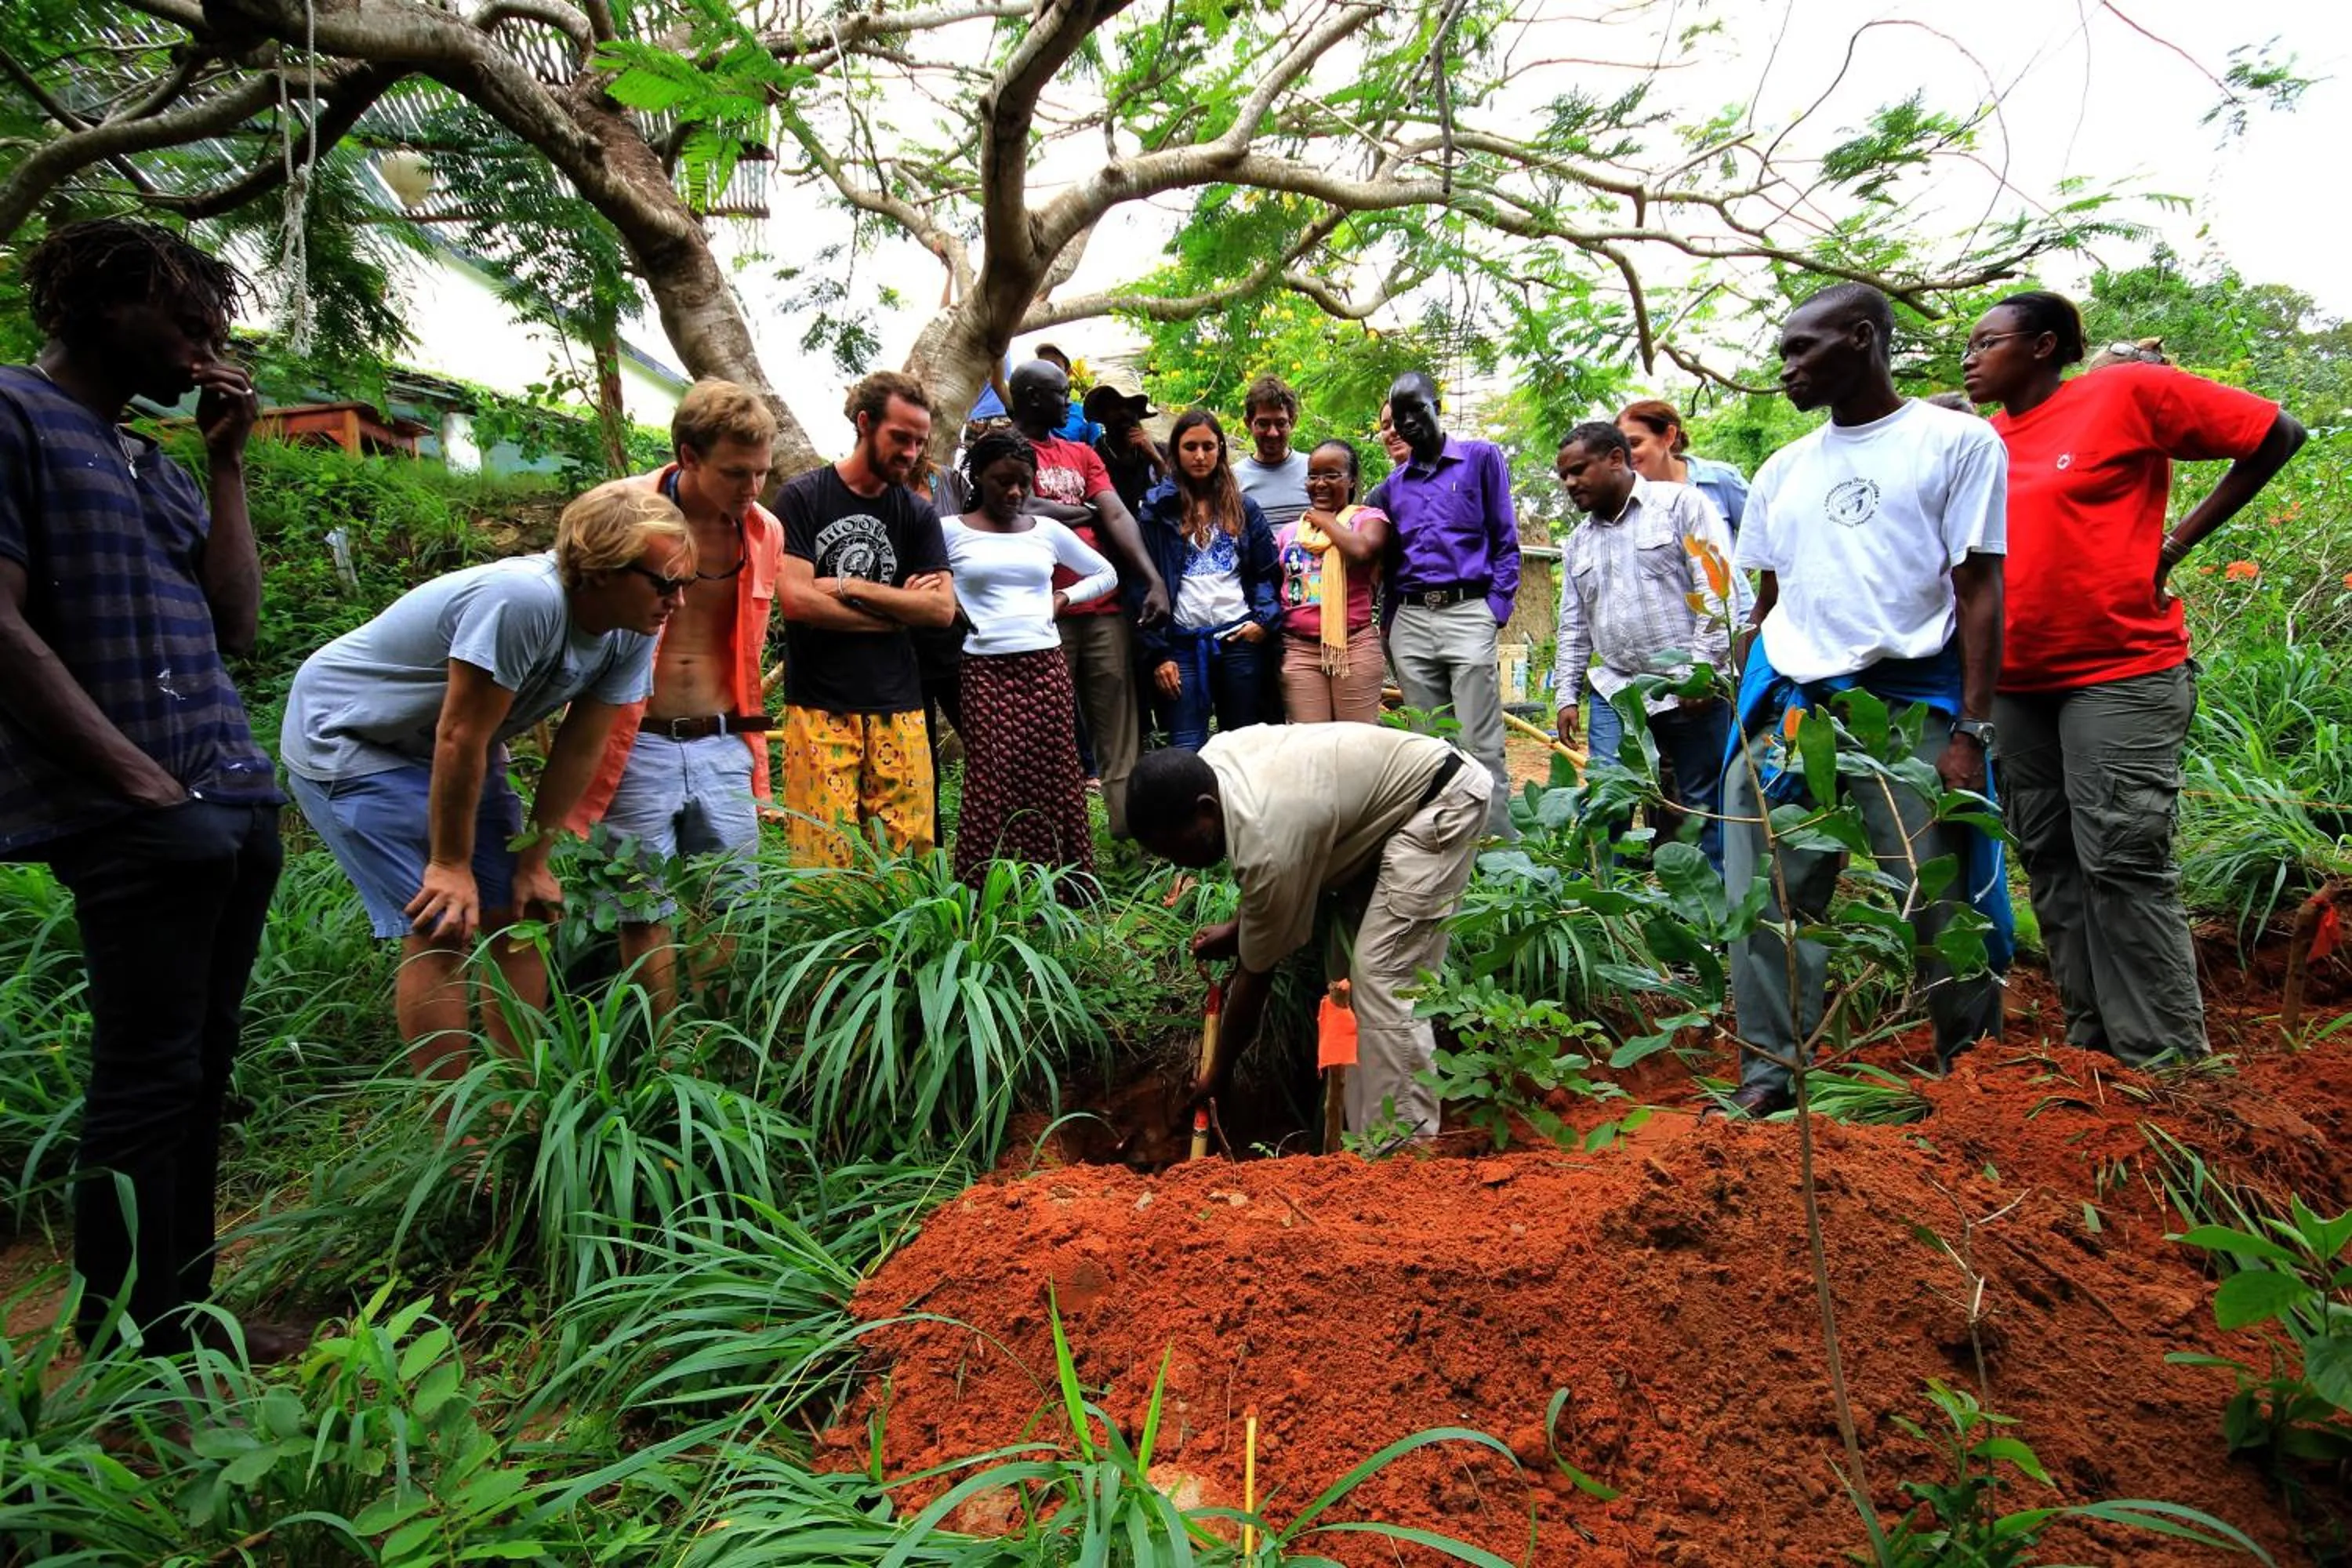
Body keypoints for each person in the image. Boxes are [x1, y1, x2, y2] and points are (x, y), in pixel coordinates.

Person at [0, 220, 290, 1358]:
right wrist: (136, 786)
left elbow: (236, 624)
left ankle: (188, 1313)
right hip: (135, 812)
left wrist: (224, 463)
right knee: (146, 1073)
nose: (207, 347)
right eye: (186, 322)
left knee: (204, 1068)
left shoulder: (151, 459)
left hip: (226, 790)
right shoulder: (16, 416)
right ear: (100, 305)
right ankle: (127, 1344)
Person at [1962, 289, 2306, 1065]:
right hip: (2019, 684)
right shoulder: (1985, 443)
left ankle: (2166, 1061)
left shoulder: (2123, 392)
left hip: (2118, 671)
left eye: (1988, 342)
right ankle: (2094, 1048)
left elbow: (2277, 433)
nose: (1970, 357)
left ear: (2045, 345)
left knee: (2121, 859)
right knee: (2050, 859)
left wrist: (2177, 542)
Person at [284, 481, 687, 1081]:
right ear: (601, 570)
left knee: (522, 913)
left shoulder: (633, 628)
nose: (675, 602)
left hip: (452, 746)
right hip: (353, 741)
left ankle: (523, 1102)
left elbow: (582, 743)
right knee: (442, 923)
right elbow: (460, 736)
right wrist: (448, 863)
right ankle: (461, 1140)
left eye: (684, 584)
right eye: (663, 583)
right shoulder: (523, 600)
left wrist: (537, 860)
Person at [1722, 281, 2010, 1116]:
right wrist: (1750, 719)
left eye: (1801, 350)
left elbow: (1980, 587)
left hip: (1909, 705)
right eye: (1783, 352)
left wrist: (1971, 727)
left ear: (1862, 339)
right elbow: (1769, 605)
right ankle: (1770, 1073)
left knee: (1937, 892)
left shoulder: (1954, 442)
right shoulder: (1783, 469)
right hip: (1794, 706)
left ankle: (1972, 1068)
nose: (1787, 369)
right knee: (1770, 897)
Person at [1127, 728, 1491, 1138]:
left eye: (1177, 847)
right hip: (1391, 811)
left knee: (1385, 979)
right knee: (1345, 981)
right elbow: (1272, 869)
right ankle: (1361, 1141)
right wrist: (1238, 929)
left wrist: (1219, 1073)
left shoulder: (1266, 837)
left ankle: (1403, 1155)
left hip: (1440, 803)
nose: (1181, 862)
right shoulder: (1216, 762)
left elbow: (1256, 973)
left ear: (1206, 809)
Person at [564, 380, 781, 1006]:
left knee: (728, 900)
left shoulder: (764, 531)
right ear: (688, 457)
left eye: (762, 472)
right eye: (736, 473)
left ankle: (714, 1045)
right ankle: (662, 1051)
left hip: (723, 740)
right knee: (641, 907)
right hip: (635, 742)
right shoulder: (619, 513)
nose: (751, 489)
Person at [774, 371, 958, 866]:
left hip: (898, 703)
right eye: (900, 438)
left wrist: (849, 586)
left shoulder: (916, 515)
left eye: (919, 442)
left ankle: (903, 950)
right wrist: (896, 612)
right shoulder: (803, 498)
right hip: (818, 703)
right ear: (864, 423)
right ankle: (832, 950)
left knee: (907, 860)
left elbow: (940, 609)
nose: (911, 453)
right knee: (822, 860)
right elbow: (795, 600)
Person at [1549, 421, 1736, 872]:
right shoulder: (1578, 542)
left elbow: (1718, 590)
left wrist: (1702, 669)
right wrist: (1566, 694)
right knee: (1608, 794)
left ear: (1616, 458)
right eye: (1565, 476)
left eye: (1578, 471)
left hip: (1688, 686)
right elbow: (1574, 623)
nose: (1570, 483)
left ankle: (1708, 925)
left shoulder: (1681, 507)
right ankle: (1603, 906)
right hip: (1617, 689)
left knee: (1701, 802)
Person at [942, 430, 1120, 889]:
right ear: (979, 476)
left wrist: (1063, 597)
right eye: (1004, 481)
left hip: (1044, 667)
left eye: (1024, 481)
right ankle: (987, 890)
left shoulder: (1048, 531)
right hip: (984, 668)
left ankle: (1062, 885)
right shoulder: (949, 531)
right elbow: (919, 579)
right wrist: (951, 608)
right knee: (991, 779)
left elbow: (1106, 573)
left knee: (1055, 776)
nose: (1016, 492)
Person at [1006, 358, 1171, 837]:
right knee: (1045, 738)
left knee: (1119, 732)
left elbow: (1116, 514)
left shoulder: (1080, 454)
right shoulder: (1006, 448)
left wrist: (1152, 577)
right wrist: (1080, 511)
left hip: (1103, 609)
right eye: (1061, 393)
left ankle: (1129, 841)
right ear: (1034, 397)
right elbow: (1020, 506)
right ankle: (1055, 850)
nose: (1069, 403)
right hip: (1040, 614)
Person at [1368, 371, 1521, 838]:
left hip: (1467, 611)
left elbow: (1505, 539)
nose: (1408, 423)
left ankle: (1499, 855)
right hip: (1411, 620)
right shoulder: (1391, 488)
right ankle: (1448, 849)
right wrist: (1391, 624)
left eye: (1417, 409)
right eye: (1398, 417)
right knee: (1432, 746)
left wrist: (1495, 608)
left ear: (1438, 405)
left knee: (1481, 742)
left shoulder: (1480, 459)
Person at [1134, 410, 1281, 749]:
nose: (1200, 456)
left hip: (1239, 639)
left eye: (1208, 447)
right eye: (1190, 447)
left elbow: (1267, 573)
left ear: (1220, 451)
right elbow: (1143, 586)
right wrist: (1159, 654)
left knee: (1245, 746)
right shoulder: (1157, 512)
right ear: (1175, 452)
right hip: (1181, 644)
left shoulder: (1244, 508)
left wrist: (1263, 621)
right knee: (1187, 748)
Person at [1276, 438, 1388, 724]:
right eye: (1313, 476)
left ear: (1351, 481)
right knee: (1311, 748)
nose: (1320, 483)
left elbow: (1361, 550)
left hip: (1354, 647)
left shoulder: (1369, 519)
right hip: (1300, 651)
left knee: (1356, 746)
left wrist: (1324, 519)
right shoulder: (1290, 533)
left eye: (1331, 475)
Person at [1617, 399, 1751, 542]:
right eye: (1620, 448)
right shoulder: (1628, 499)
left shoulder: (1719, 479)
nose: (1627, 454)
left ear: (1669, 436)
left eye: (1634, 444)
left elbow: (1764, 536)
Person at [1085, 367, 1167, 517]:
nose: (1124, 413)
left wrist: (1157, 461)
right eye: (1116, 407)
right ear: (1103, 414)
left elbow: (1177, 503)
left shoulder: (1160, 452)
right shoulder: (1093, 459)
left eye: (1130, 406)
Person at [1235, 373, 1311, 532]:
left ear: (1293, 421)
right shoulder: (1233, 479)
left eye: (1280, 423)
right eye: (1263, 424)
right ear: (1248, 423)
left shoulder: (1313, 471)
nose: (1273, 433)